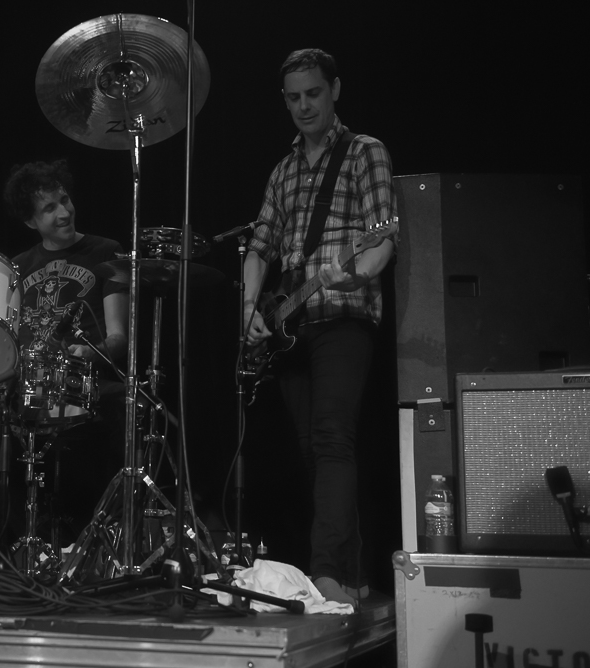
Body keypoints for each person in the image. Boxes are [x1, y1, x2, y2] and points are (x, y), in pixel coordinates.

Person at [243, 49, 397, 606]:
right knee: (313, 451)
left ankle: (325, 572)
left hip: (344, 318)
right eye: (294, 97)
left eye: (313, 93)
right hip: (292, 324)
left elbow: (381, 236)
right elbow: (259, 247)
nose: (304, 105)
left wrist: (361, 273)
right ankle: (352, 576)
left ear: (335, 90)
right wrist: (249, 308)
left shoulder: (364, 152)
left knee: (334, 439)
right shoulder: (283, 170)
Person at [3, 159, 130, 545]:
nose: (64, 212)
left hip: (88, 384)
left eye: (65, 200)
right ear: (31, 222)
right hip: (32, 391)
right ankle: (25, 544)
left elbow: (119, 338)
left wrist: (91, 352)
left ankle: (101, 538)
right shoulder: (17, 268)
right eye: (49, 208)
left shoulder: (107, 252)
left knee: (122, 408)